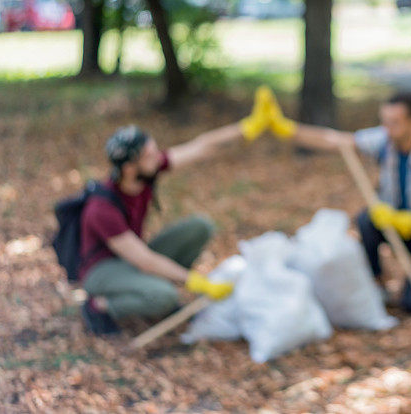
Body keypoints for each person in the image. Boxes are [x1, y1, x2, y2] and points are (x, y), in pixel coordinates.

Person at [79, 90, 274, 335]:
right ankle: (100, 305)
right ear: (129, 167)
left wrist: (247, 127)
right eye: (149, 155)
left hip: (132, 258)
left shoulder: (144, 172)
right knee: (165, 297)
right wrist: (197, 282)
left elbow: (202, 147)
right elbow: (144, 260)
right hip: (102, 270)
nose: (157, 158)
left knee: (199, 227)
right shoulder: (102, 209)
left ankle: (151, 286)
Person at [256, 88, 411, 313]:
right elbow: (334, 140)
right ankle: (377, 283)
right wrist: (287, 128)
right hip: (396, 228)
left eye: (395, 122)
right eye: (384, 122)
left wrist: (404, 220)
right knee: (366, 220)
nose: (387, 128)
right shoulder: (385, 140)